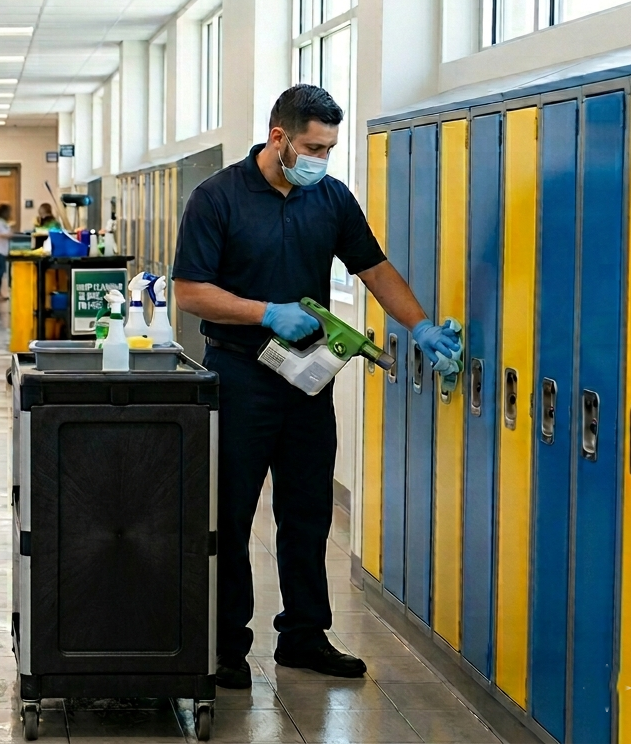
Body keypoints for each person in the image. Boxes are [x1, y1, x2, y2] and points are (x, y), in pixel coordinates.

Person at [171, 84, 460, 689]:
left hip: (307, 378)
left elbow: (373, 269)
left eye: (329, 148)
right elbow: (191, 291)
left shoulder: (330, 198)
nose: (321, 159)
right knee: (228, 512)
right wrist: (264, 312)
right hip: (239, 375)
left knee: (306, 513)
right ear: (279, 138)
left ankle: (303, 636)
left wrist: (421, 327)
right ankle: (226, 644)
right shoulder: (216, 198)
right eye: (312, 147)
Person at [0, 204, 14, 300]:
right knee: (0, 272)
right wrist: (9, 234)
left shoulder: (3, 222)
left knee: (1, 271)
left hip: (3, 250)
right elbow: (1, 234)